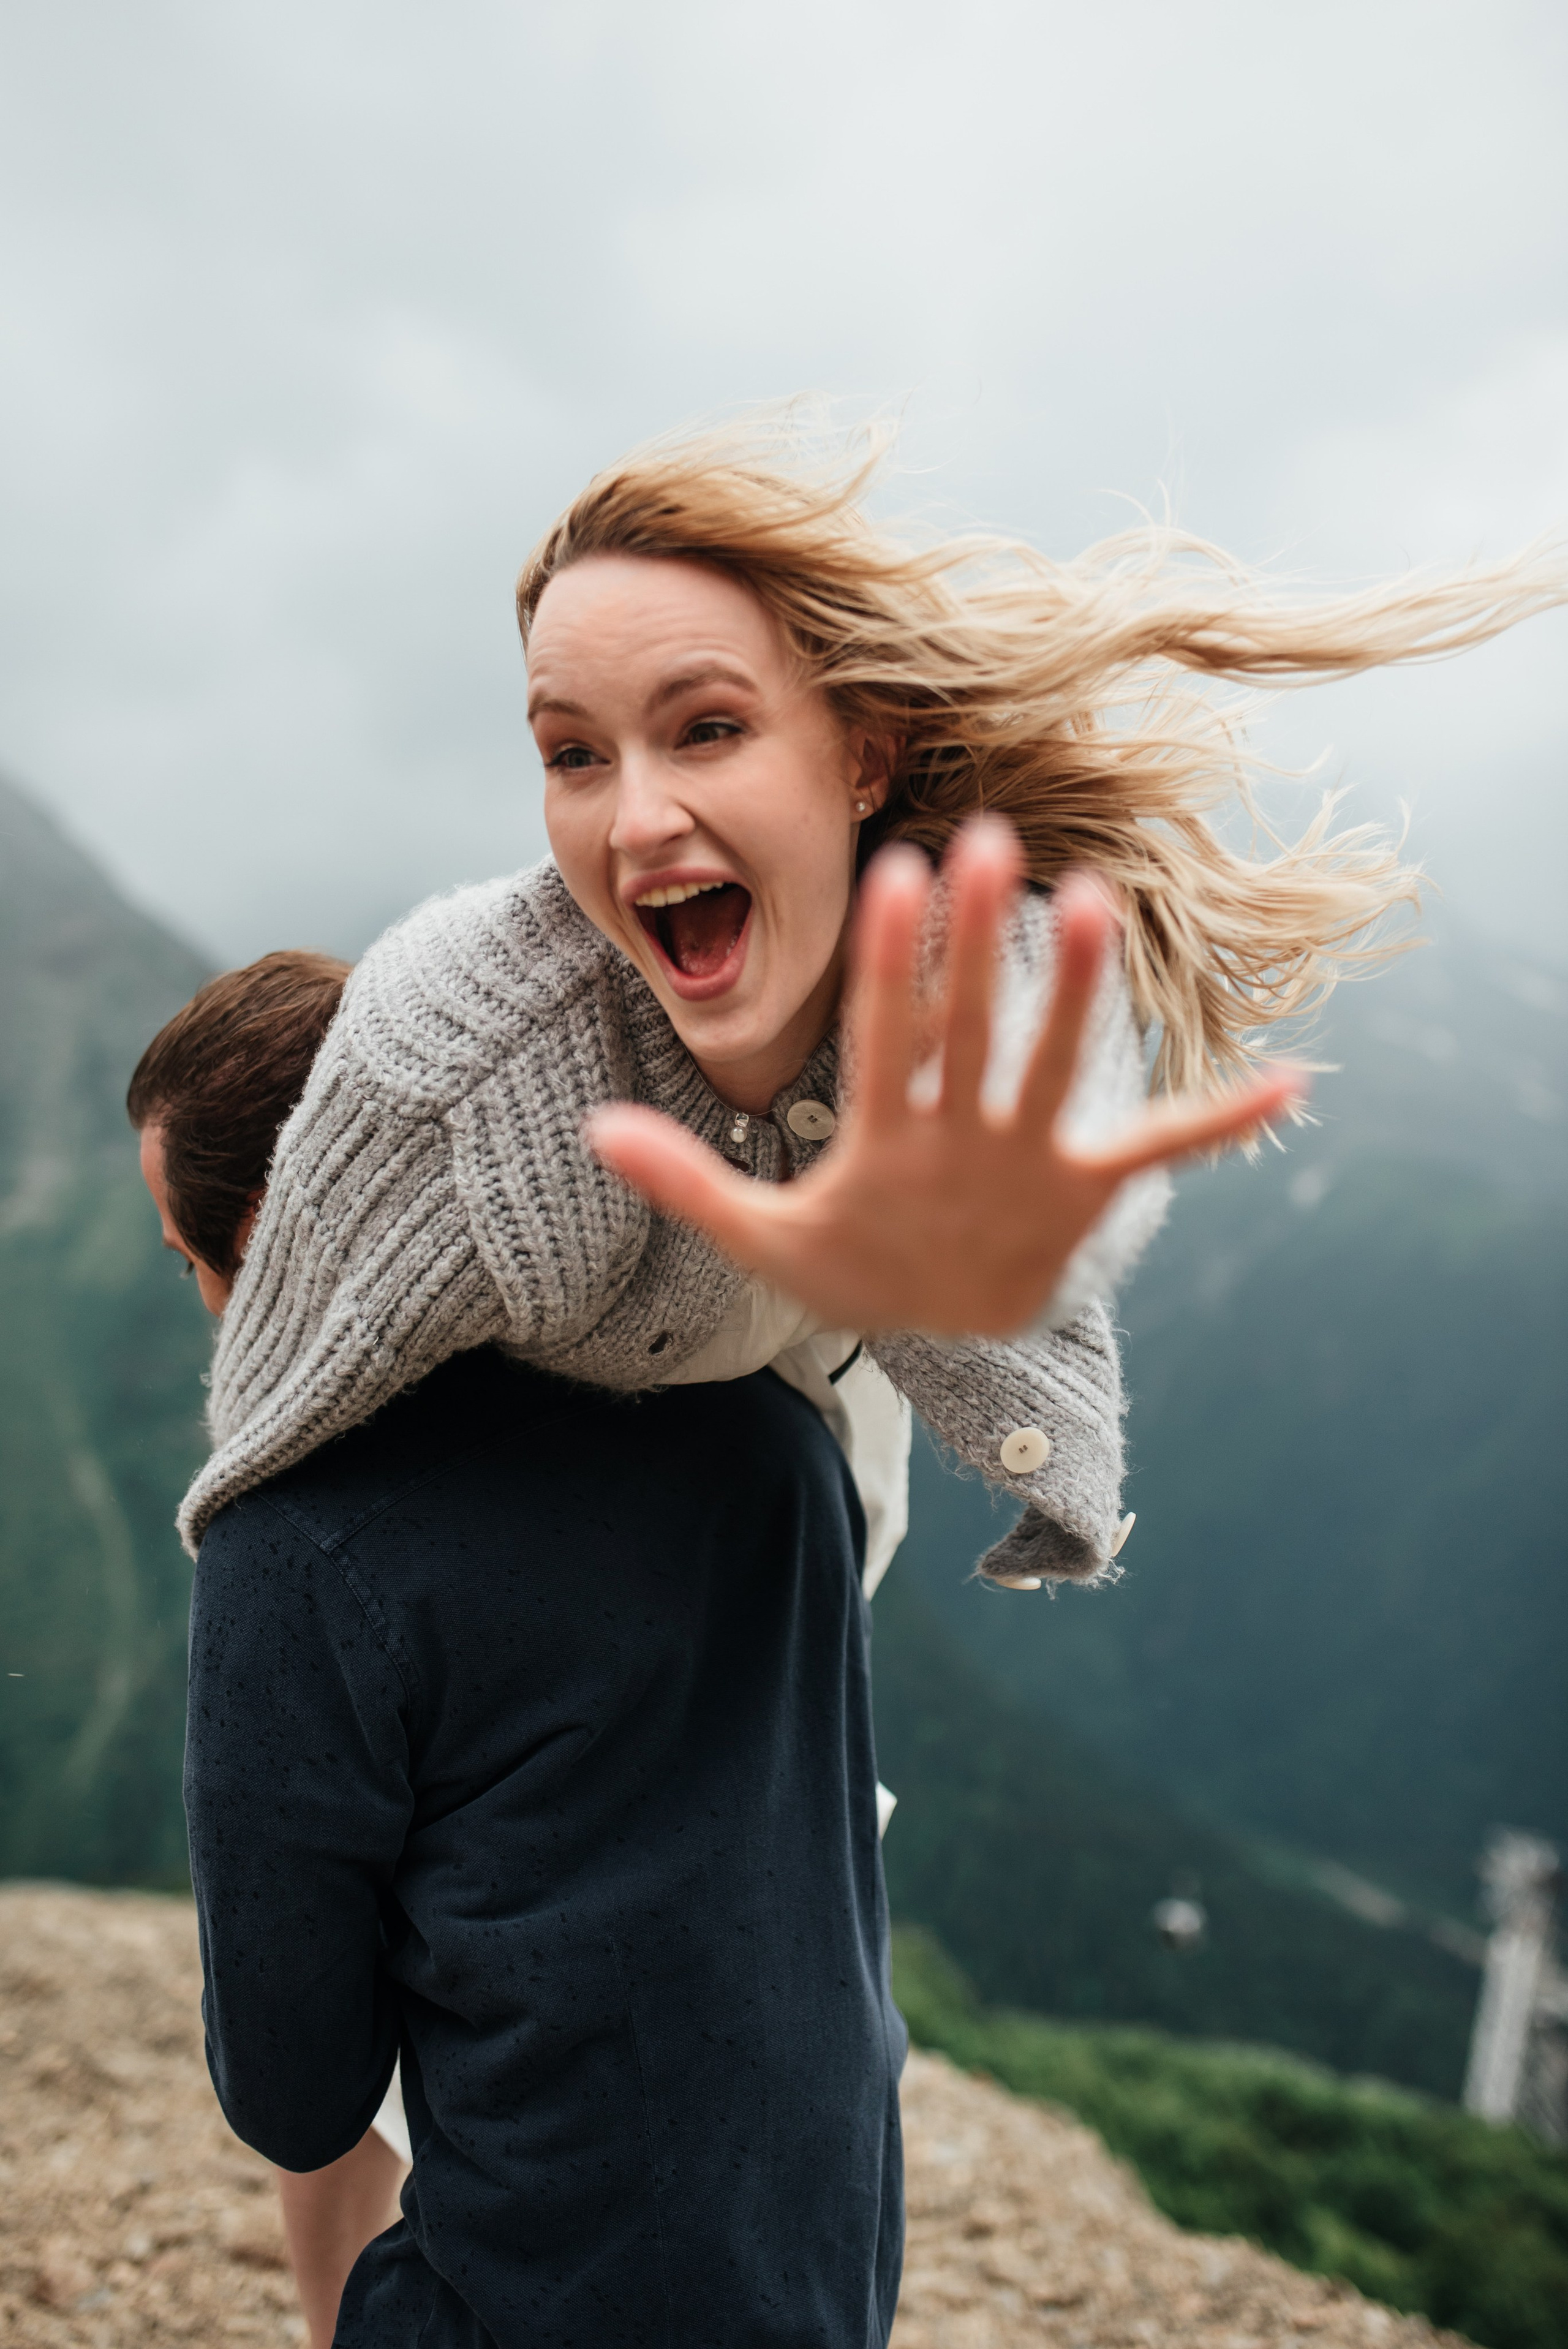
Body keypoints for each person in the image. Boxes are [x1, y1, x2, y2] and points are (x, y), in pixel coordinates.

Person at [168, 425, 1562, 2346]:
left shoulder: (945, 981)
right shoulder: (452, 1059)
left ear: (864, 752)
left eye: (706, 728)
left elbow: (1019, 1338)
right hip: (610, 1437)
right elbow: (283, 1414)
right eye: (572, 751)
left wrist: (958, 1312)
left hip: (803, 1410)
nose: (631, 813)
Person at [127, 951, 414, 2348]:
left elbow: (295, 2089)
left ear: (259, 1227)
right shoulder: (727, 1408)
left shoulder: (294, 1543)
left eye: (187, 1261)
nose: (194, 1297)